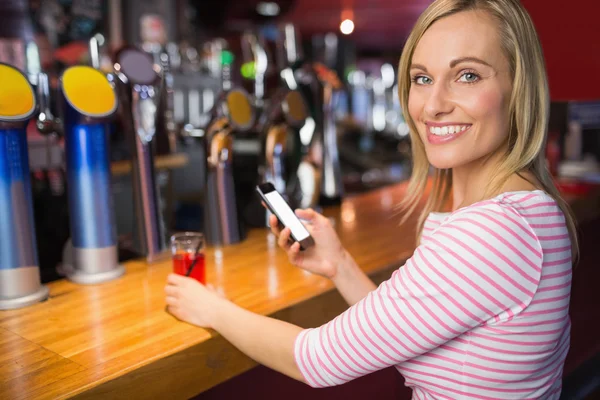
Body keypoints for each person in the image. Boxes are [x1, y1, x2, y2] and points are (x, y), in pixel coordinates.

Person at [165, 0, 578, 397]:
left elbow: (316, 360)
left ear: (518, 86)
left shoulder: (491, 233)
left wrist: (212, 309)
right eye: (422, 78)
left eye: (468, 75)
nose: (433, 106)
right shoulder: (530, 209)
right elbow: (412, 332)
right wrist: (339, 265)